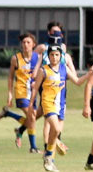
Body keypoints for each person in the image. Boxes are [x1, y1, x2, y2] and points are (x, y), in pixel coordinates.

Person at [29, 44, 89, 172]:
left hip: (60, 105)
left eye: (57, 55)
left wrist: (90, 74)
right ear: (48, 56)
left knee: (55, 132)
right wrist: (31, 105)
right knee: (55, 129)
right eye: (52, 54)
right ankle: (48, 156)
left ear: (61, 56)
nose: (54, 57)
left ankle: (49, 159)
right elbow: (35, 89)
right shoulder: (43, 70)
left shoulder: (64, 69)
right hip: (47, 103)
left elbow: (78, 82)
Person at [33, 21, 78, 156]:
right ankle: (49, 146)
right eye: (53, 33)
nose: (56, 36)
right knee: (49, 118)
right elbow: (33, 61)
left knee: (56, 117)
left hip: (61, 88)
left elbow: (73, 75)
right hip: (47, 86)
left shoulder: (63, 50)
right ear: (48, 33)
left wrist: (65, 75)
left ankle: (54, 141)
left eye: (58, 33)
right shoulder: (43, 49)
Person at [0, 32, 40, 153]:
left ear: (33, 44)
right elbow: (10, 77)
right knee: (31, 117)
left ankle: (10, 117)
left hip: (33, 93)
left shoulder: (38, 58)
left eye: (28, 42)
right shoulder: (16, 59)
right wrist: (10, 94)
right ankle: (33, 147)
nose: (25, 45)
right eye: (24, 42)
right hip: (21, 92)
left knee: (32, 119)